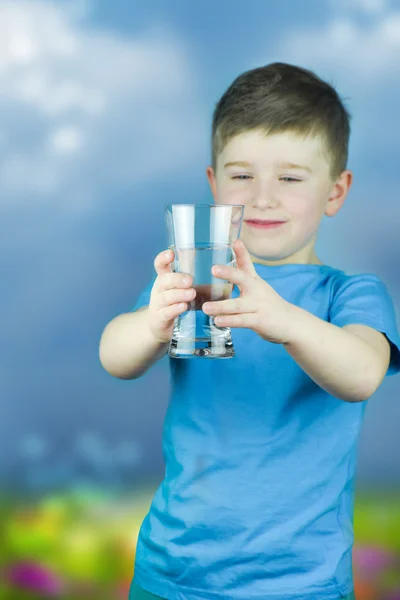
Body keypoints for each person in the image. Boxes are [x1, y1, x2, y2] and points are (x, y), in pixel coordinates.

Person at [99, 62, 400, 600]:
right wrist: (151, 322)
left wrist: (285, 321)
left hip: (302, 584)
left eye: (289, 178)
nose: (262, 197)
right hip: (172, 574)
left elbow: (362, 373)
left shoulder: (349, 293)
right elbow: (115, 356)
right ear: (214, 186)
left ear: (335, 191)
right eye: (242, 175)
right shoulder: (192, 281)